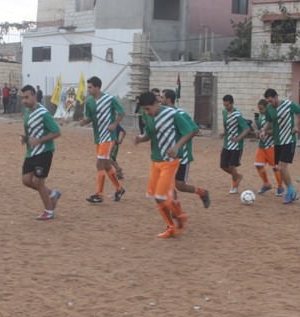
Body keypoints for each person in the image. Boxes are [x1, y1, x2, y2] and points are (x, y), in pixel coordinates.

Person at [134, 91, 197, 238]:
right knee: (157, 197)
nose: (146, 112)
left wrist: (176, 147)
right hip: (155, 160)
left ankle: (180, 215)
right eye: (144, 109)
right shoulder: (147, 116)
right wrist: (141, 138)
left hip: (170, 162)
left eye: (148, 108)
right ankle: (171, 227)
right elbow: (149, 134)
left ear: (157, 103)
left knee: (161, 195)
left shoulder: (172, 114)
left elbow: (190, 131)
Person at [80, 76, 126, 203]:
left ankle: (99, 195)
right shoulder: (89, 101)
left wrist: (114, 124)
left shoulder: (110, 99)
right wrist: (84, 121)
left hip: (108, 137)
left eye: (90, 87)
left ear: (97, 87)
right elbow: (90, 118)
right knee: (105, 165)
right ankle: (119, 188)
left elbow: (121, 113)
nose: (88, 89)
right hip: (98, 137)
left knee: (99, 163)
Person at [19, 85, 62, 220]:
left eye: (26, 97)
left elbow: (57, 132)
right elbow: (31, 131)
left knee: (38, 182)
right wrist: (26, 139)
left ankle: (49, 211)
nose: (24, 101)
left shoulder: (43, 113)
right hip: (31, 152)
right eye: (22, 98)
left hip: (44, 152)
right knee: (26, 180)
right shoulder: (27, 112)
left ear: (33, 96)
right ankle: (52, 193)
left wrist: (40, 140)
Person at [162, 89, 210, 208]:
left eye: (162, 97)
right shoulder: (164, 115)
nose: (160, 100)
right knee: (168, 183)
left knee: (180, 185)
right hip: (169, 156)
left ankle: (202, 193)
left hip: (182, 155)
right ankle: (176, 210)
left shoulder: (181, 114)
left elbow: (195, 130)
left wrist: (180, 145)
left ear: (168, 99)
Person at [263, 88, 300, 204]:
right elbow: (269, 122)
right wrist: (263, 131)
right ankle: (292, 192)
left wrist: (297, 126)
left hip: (289, 140)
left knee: (282, 167)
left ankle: (291, 191)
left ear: (276, 96)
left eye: (271, 100)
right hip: (277, 142)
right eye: (268, 101)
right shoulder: (269, 108)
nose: (270, 103)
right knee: (279, 168)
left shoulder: (288, 104)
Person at [220, 94, 250, 194]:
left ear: (232, 103)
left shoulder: (237, 115)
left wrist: (238, 138)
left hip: (236, 145)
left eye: (227, 105)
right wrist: (224, 133)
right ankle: (238, 177)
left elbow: (246, 129)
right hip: (227, 144)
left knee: (232, 166)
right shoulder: (224, 112)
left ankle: (235, 186)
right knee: (223, 166)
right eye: (224, 105)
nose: (226, 107)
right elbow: (226, 126)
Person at [253, 99, 283, 195]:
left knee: (275, 167)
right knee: (258, 165)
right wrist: (256, 131)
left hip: (271, 146)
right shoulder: (261, 116)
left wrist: (264, 132)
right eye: (259, 109)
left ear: (267, 108)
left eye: (261, 109)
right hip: (262, 146)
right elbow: (255, 125)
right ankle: (266, 184)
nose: (260, 111)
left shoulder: (273, 117)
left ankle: (280, 187)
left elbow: (276, 131)